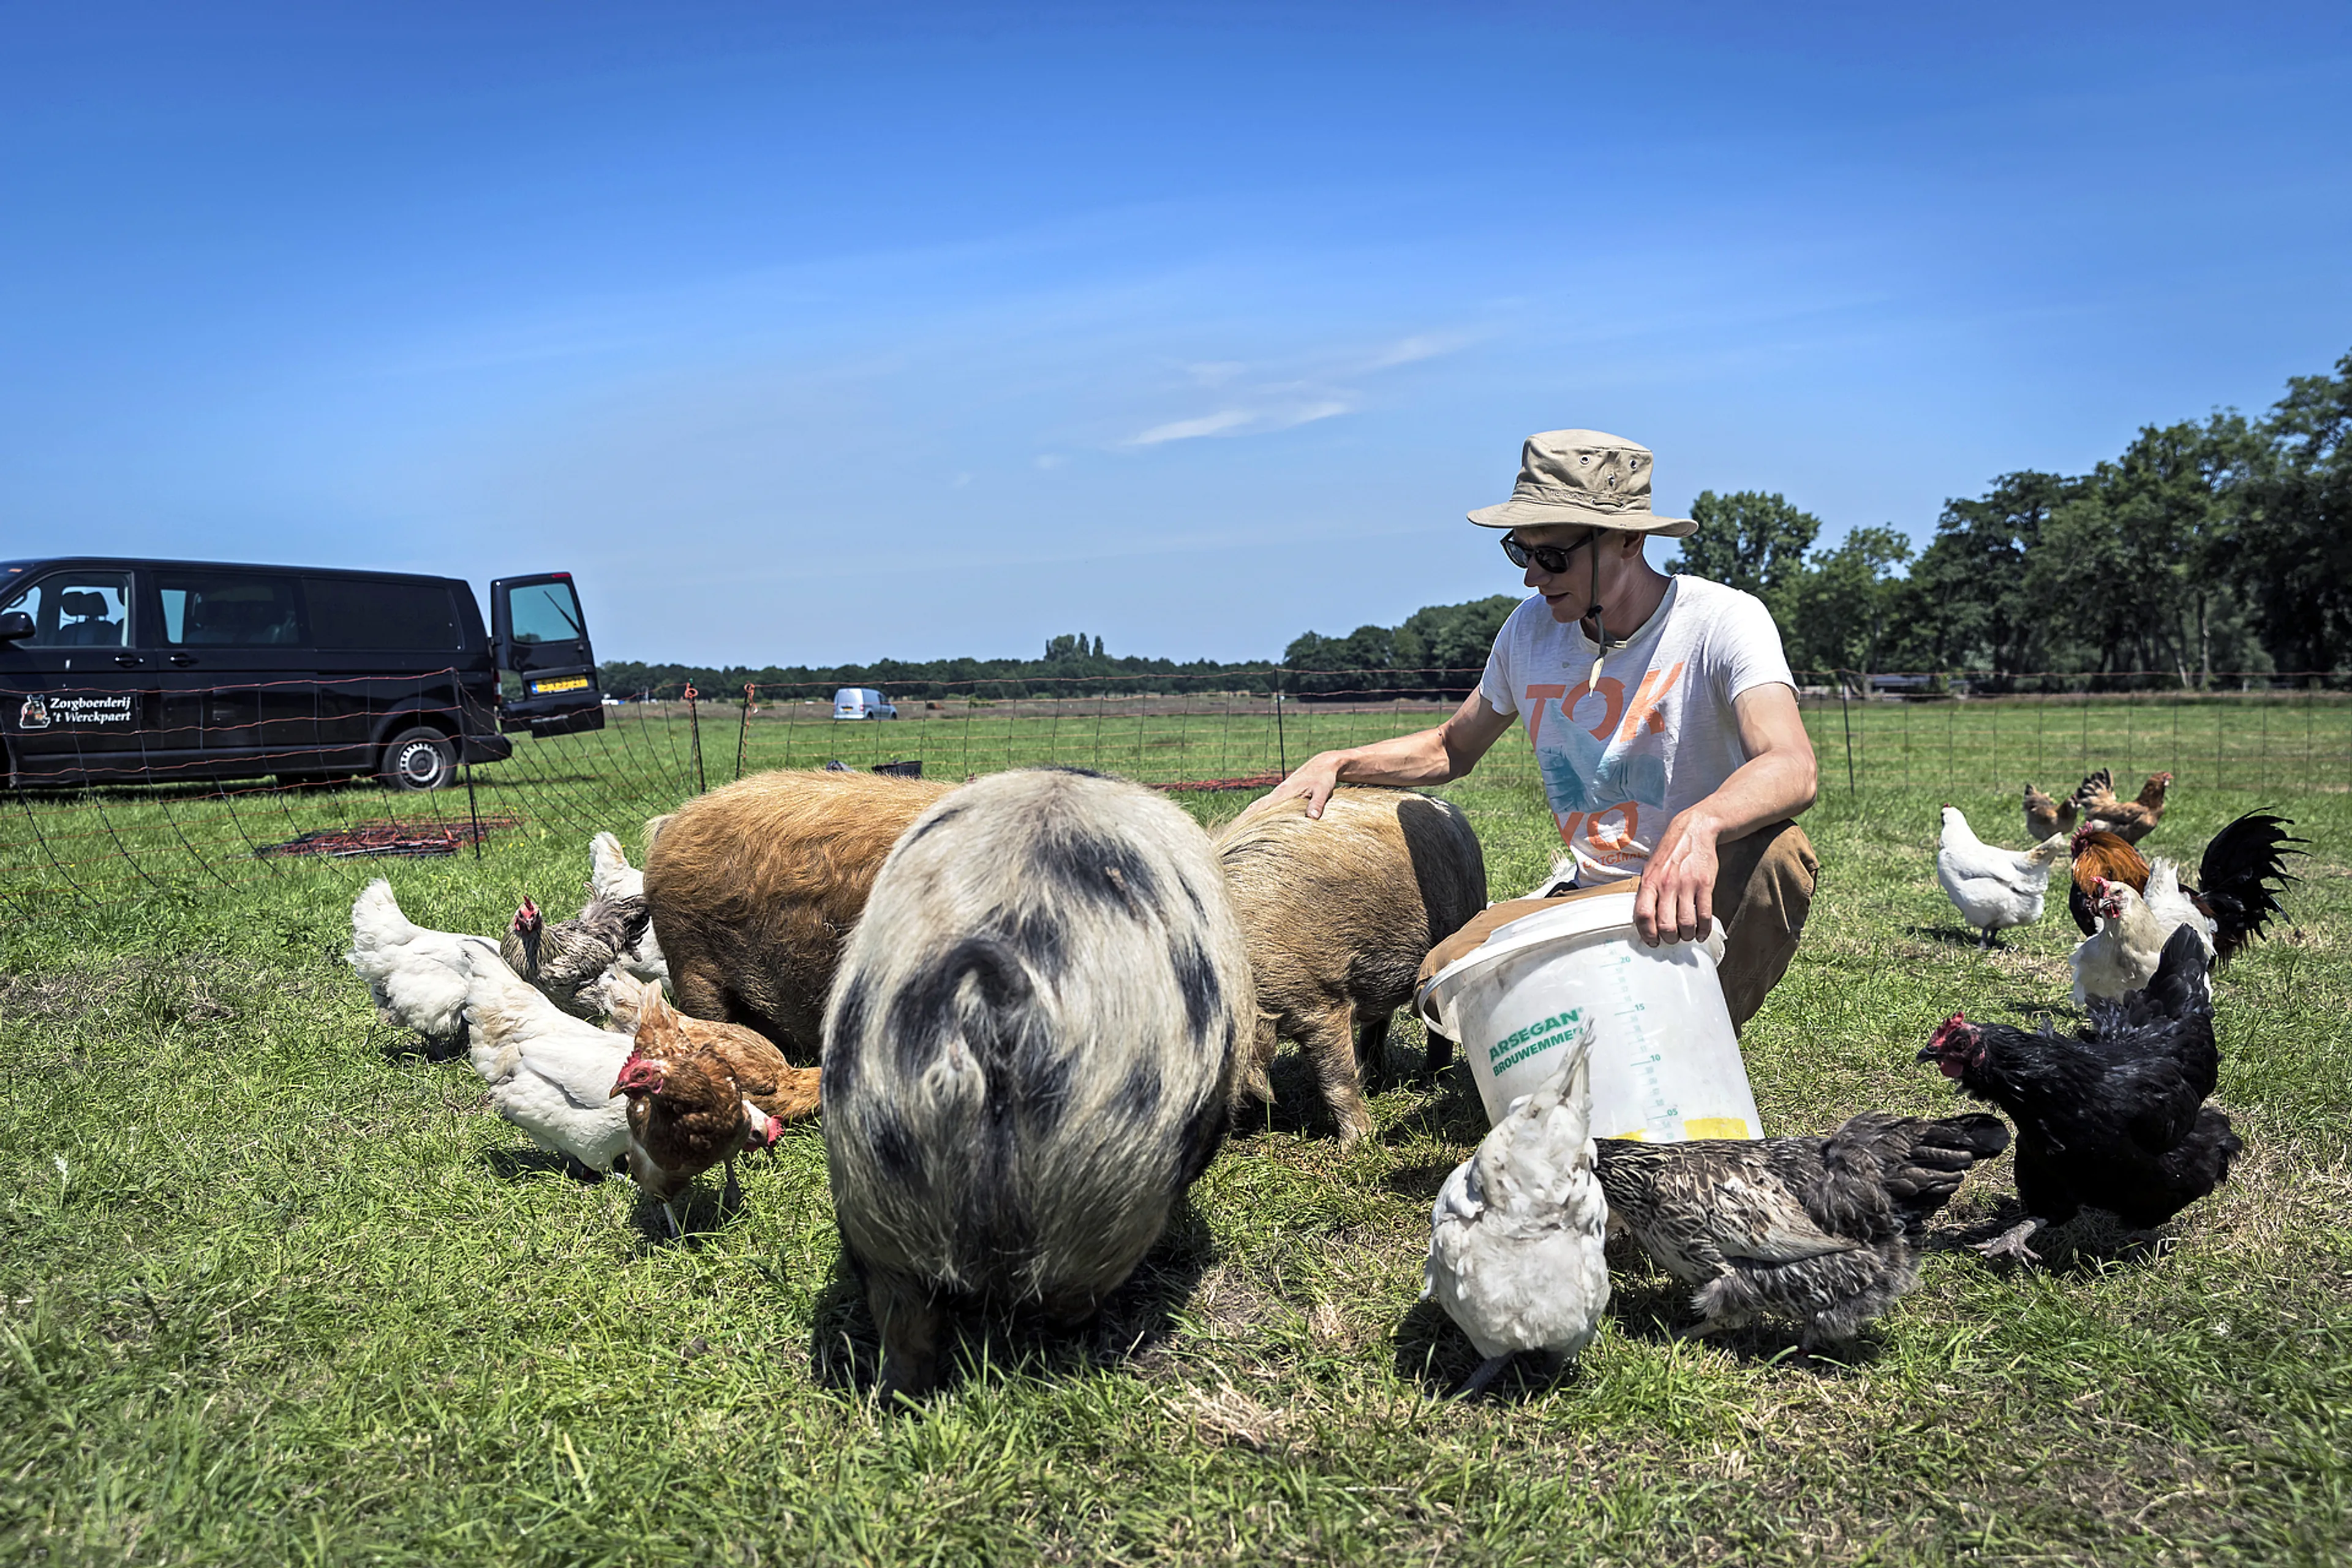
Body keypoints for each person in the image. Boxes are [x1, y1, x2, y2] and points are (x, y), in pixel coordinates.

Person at [1245, 428, 1819, 1029]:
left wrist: (1699, 822)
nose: (1532, 577)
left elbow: (1791, 763)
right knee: (1442, 981)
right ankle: (1602, 1021)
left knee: (1779, 857)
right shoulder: (1528, 632)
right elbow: (1451, 746)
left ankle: (1697, 1034)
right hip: (1590, 896)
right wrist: (1338, 761)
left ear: (1626, 538)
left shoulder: (1722, 621)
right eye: (1520, 552)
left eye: (1552, 556)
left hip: (1693, 893)